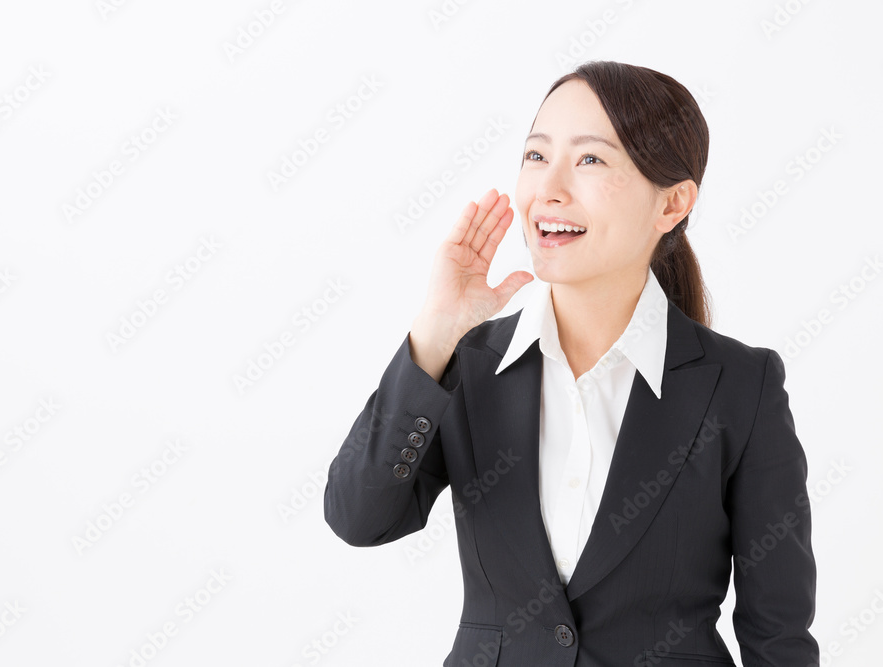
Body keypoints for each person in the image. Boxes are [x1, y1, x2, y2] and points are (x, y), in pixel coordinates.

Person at [323, 60, 817, 666]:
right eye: (536, 155)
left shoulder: (742, 387)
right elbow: (358, 516)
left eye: (589, 160)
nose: (548, 188)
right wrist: (435, 333)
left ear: (672, 203)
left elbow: (780, 638)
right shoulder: (466, 364)